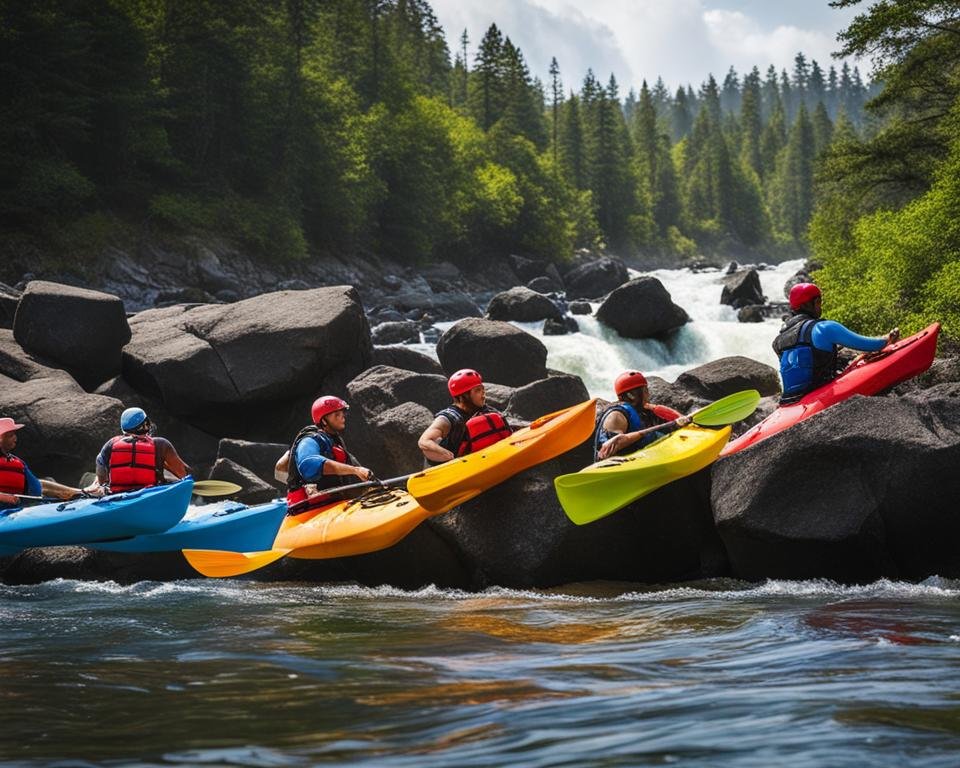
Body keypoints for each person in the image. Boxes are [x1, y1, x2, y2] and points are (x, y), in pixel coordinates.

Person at [773, 283, 899, 404]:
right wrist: (887, 339)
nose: (820, 306)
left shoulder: (778, 341)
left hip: (789, 400)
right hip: (819, 392)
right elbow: (870, 345)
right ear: (812, 303)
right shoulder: (824, 328)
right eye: (818, 302)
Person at [285, 396, 373, 513]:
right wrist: (355, 470)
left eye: (342, 413)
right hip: (309, 509)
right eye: (336, 415)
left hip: (335, 502)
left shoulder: (335, 441)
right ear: (324, 421)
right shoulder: (310, 439)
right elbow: (308, 464)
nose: (342, 417)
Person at [418, 369, 512, 465]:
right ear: (464, 396)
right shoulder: (447, 418)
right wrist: (448, 455)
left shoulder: (486, 410)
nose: (483, 393)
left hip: (483, 458)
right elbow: (424, 441)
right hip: (453, 465)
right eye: (478, 390)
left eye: (483, 389)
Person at [90, 407, 190, 495]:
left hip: (118, 494)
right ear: (146, 424)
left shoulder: (111, 444)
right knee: (170, 480)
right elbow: (184, 474)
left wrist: (100, 483)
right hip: (150, 493)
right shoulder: (161, 444)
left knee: (101, 485)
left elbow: (100, 465)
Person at [595, 371, 691, 460]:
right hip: (623, 465)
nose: (648, 395)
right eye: (645, 391)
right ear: (631, 396)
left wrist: (680, 420)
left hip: (643, 455)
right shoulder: (615, 417)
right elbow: (610, 449)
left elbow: (677, 420)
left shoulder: (643, 410)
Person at [0, 417, 82, 510]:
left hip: (16, 511)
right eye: (10, 435)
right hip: (3, 514)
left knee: (44, 484)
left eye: (14, 434)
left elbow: (36, 488)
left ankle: (83, 493)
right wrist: (3, 497)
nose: (15, 438)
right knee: (44, 485)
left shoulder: (17, 461)